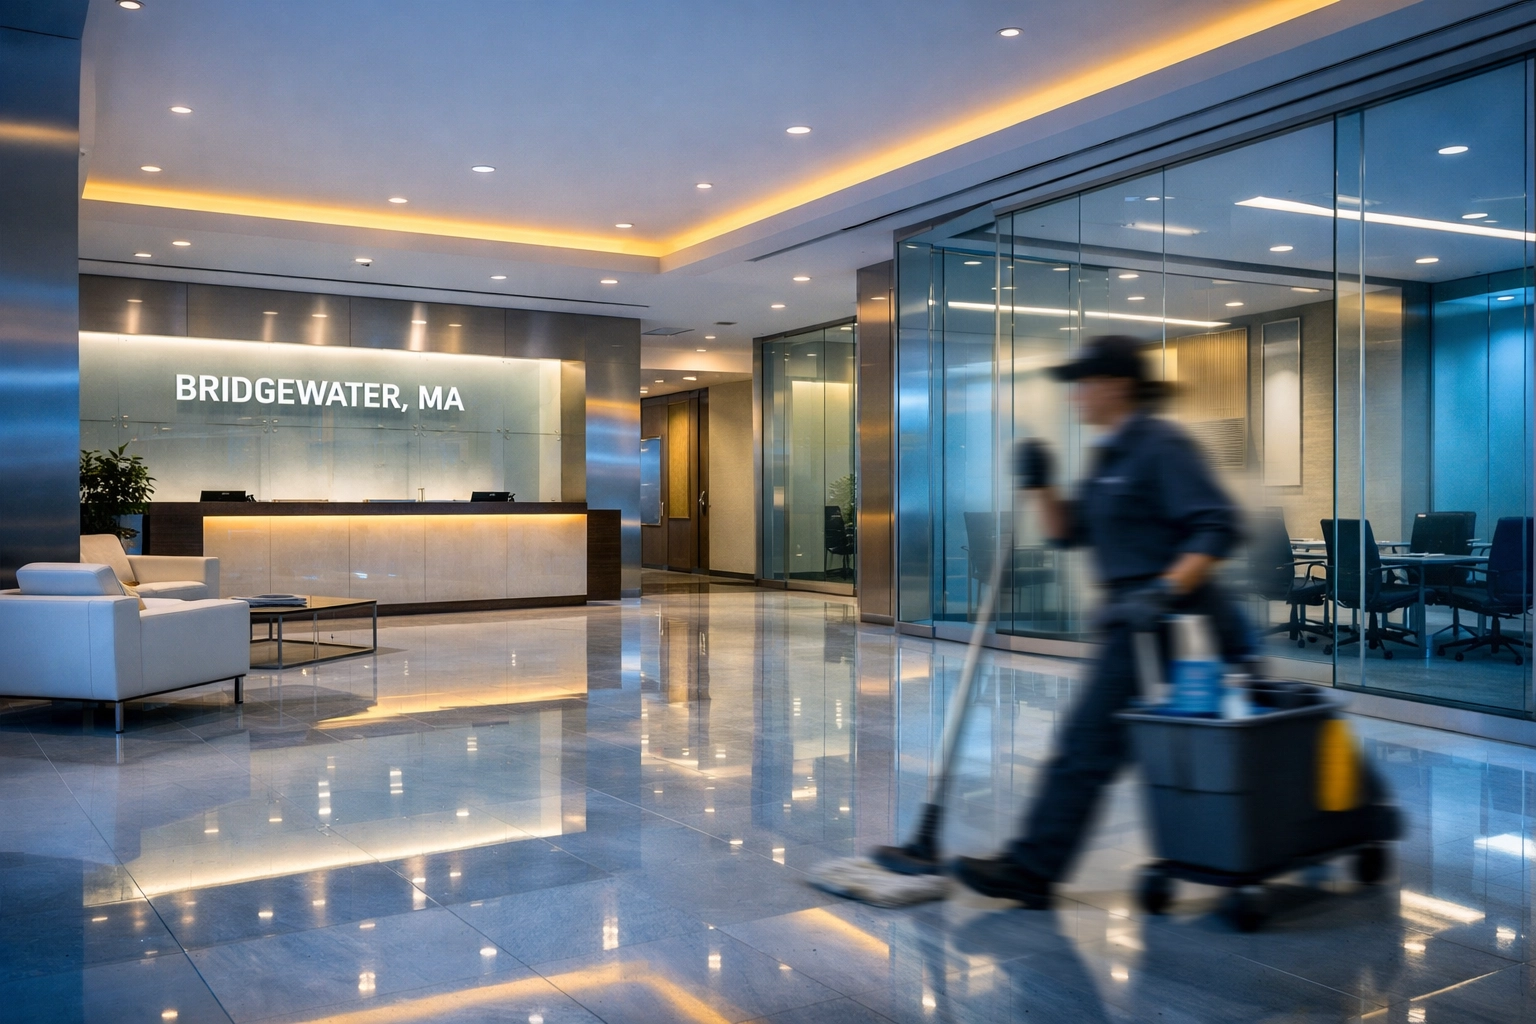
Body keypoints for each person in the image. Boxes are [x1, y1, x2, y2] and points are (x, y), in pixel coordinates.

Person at [954, 334, 1248, 908]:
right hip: (1132, 621)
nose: (1074, 396)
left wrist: (1164, 590)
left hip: (1178, 625)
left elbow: (1217, 527)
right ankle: (1040, 865)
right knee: (1131, 747)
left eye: (1083, 383)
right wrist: (1041, 485)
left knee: (1092, 745)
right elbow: (1070, 531)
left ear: (1117, 385)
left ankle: (1033, 869)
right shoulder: (1108, 454)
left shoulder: (1161, 445)